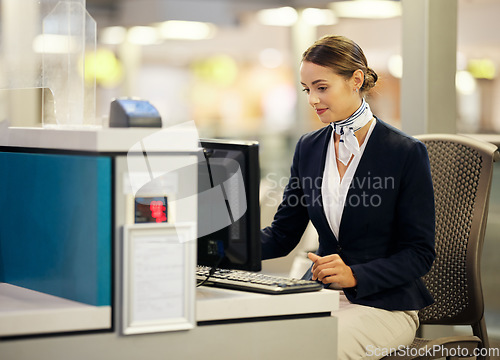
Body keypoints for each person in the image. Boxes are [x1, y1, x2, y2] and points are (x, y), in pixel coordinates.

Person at [260, 35, 436, 360]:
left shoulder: (405, 153)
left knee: (314, 347)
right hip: (319, 296)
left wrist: (356, 275)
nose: (312, 99)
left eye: (321, 87)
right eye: (306, 89)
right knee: (252, 337)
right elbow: (282, 234)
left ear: (356, 80)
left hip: (384, 305)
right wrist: (218, 247)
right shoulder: (309, 147)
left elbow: (419, 253)